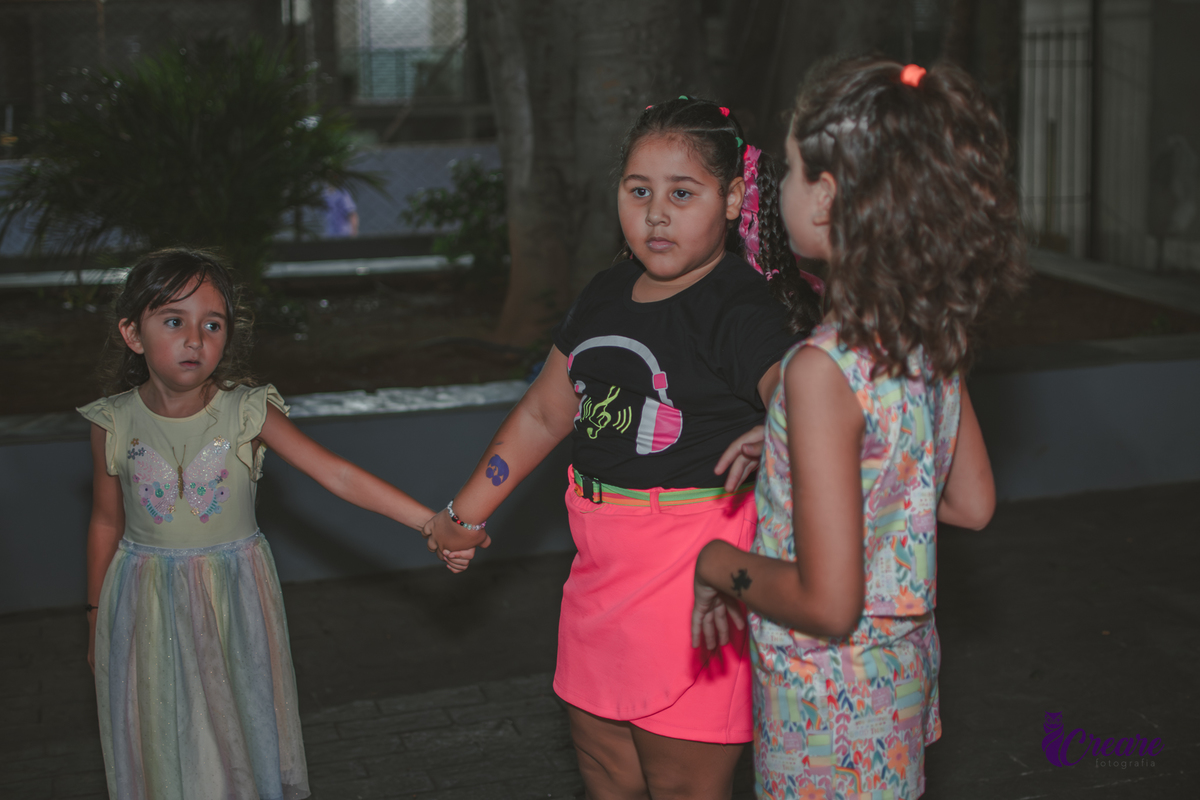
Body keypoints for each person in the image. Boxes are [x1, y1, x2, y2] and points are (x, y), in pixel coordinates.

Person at [423, 96, 823, 798]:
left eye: (682, 192)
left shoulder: (738, 308)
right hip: (598, 579)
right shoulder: (606, 293)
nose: (656, 213)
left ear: (732, 200)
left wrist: (787, 420)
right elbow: (547, 413)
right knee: (607, 776)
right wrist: (467, 510)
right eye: (639, 191)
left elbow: (806, 390)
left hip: (694, 579)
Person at [691, 59, 1027, 799]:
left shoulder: (821, 370)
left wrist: (718, 563)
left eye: (790, 171)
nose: (778, 188)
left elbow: (828, 602)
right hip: (896, 696)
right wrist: (803, 464)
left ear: (829, 199)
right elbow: (969, 500)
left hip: (823, 722)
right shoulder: (928, 333)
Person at [79, 248, 448, 800]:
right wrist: (94, 619)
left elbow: (337, 474)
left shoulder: (245, 411)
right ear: (133, 333)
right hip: (145, 602)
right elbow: (106, 522)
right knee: (161, 731)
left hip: (232, 600)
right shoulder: (112, 421)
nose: (195, 339)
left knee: (234, 733)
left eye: (213, 324)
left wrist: (430, 522)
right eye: (174, 321)